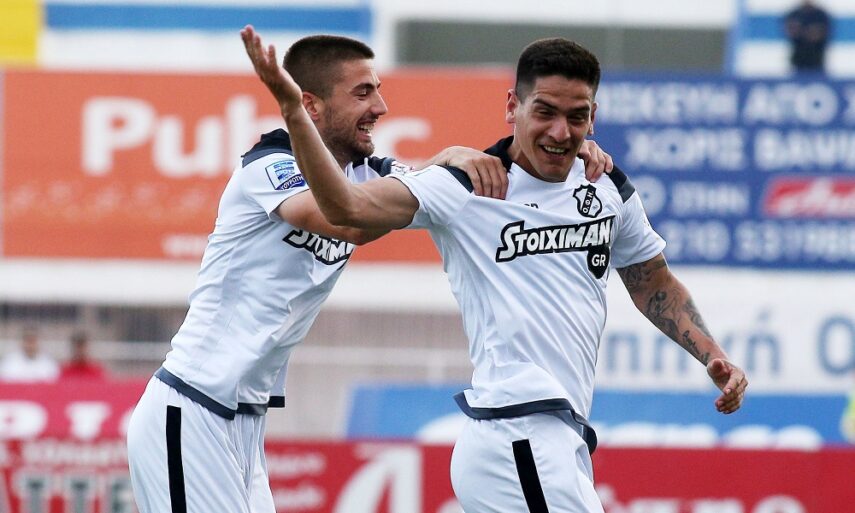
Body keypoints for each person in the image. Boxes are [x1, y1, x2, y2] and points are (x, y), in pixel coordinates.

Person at [243, 26, 749, 512]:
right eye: (544, 112)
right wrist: (293, 111)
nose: (560, 132)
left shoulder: (606, 185)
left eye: (576, 117)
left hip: (559, 436)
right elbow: (347, 210)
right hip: (518, 432)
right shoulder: (465, 187)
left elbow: (651, 280)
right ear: (513, 107)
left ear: (593, 117)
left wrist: (712, 355)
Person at [126, 31, 613, 513]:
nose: (380, 107)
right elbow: (342, 219)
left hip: (243, 423)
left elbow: (422, 184)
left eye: (378, 90)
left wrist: (572, 154)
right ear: (310, 105)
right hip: (191, 407)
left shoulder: (365, 173)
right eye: (362, 93)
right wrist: (291, 112)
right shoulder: (267, 168)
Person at [784, 0, 832, 73]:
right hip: (798, 59)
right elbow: (789, 32)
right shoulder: (794, 14)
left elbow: (823, 33)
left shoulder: (821, 15)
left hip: (817, 59)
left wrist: (803, 32)